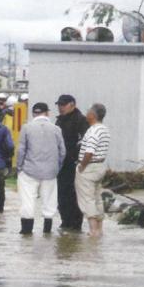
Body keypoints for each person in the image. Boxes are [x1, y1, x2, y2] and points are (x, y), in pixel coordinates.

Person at [16, 102, 66, 235]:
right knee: (49, 201)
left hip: (29, 170)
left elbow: (21, 150)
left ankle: (26, 231)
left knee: (28, 200)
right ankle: (47, 231)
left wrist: (19, 167)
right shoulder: (56, 129)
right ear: (47, 113)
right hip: (50, 172)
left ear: (33, 113)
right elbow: (62, 152)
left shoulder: (27, 128)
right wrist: (57, 167)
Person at [55, 94, 90, 231]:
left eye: (63, 105)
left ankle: (76, 224)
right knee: (62, 194)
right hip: (61, 164)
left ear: (72, 104)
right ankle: (65, 221)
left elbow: (84, 142)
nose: (60, 108)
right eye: (59, 105)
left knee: (74, 195)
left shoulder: (81, 120)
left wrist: (78, 160)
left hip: (74, 164)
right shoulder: (59, 121)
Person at [75, 103, 111, 237]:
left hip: (89, 167)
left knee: (87, 199)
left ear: (92, 115)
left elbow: (89, 152)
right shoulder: (104, 129)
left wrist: (82, 166)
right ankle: (100, 229)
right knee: (97, 198)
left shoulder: (93, 131)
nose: (86, 113)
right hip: (100, 166)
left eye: (88, 111)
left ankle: (93, 230)